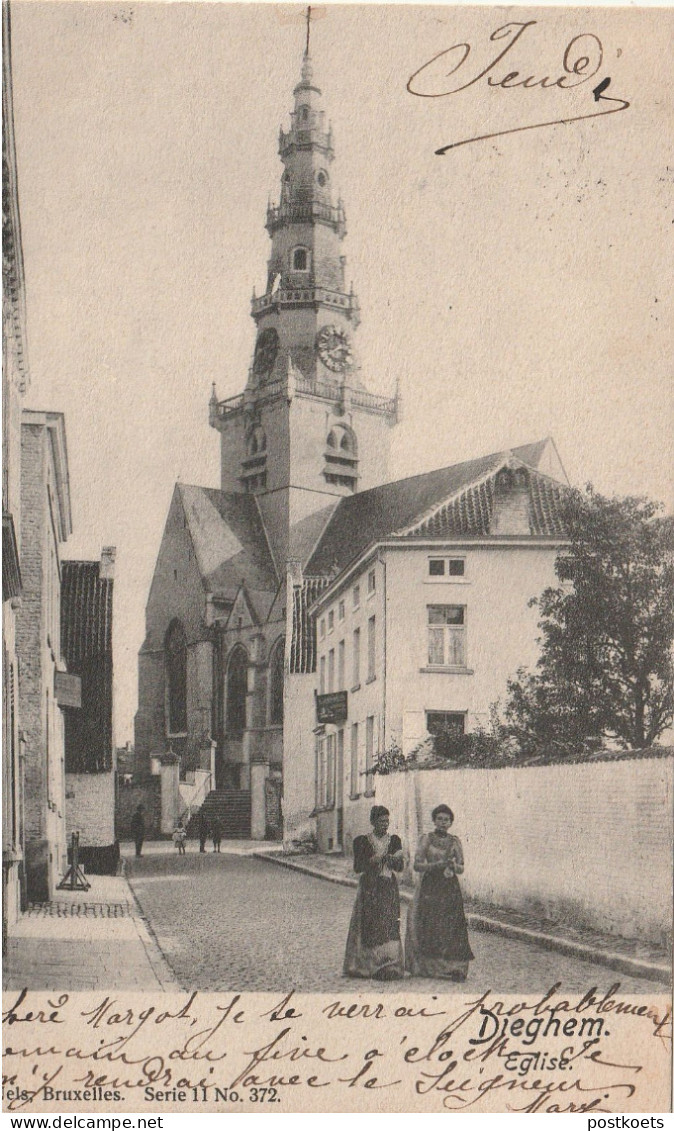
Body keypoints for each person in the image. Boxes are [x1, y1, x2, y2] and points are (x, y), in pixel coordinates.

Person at [405, 804, 474, 980]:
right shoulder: (426, 839)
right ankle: (431, 968)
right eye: (440, 819)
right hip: (430, 887)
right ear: (434, 821)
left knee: (452, 927)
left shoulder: (455, 841)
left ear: (451, 822)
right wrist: (436, 866)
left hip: (449, 888)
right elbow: (417, 865)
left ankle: (454, 968)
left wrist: (453, 865)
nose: (443, 823)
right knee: (430, 924)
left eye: (447, 820)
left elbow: (461, 868)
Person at [343, 805, 405, 980]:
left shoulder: (394, 841)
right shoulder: (362, 841)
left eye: (387, 821)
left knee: (389, 921)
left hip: (387, 887)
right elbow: (357, 867)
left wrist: (396, 860)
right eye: (381, 821)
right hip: (370, 888)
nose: (385, 825)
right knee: (370, 923)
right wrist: (372, 860)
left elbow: (400, 867)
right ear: (372, 822)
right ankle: (369, 965)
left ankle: (389, 964)